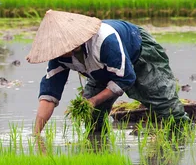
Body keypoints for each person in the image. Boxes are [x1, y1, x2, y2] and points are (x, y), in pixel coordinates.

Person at [28, 10, 185, 137]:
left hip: (138, 52)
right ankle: (98, 146)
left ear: (75, 44)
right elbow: (49, 96)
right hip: (99, 70)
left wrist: (93, 100)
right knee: (93, 118)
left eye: (62, 48)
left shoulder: (105, 41)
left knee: (164, 103)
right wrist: (36, 134)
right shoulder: (59, 56)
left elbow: (126, 78)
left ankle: (182, 136)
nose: (58, 53)